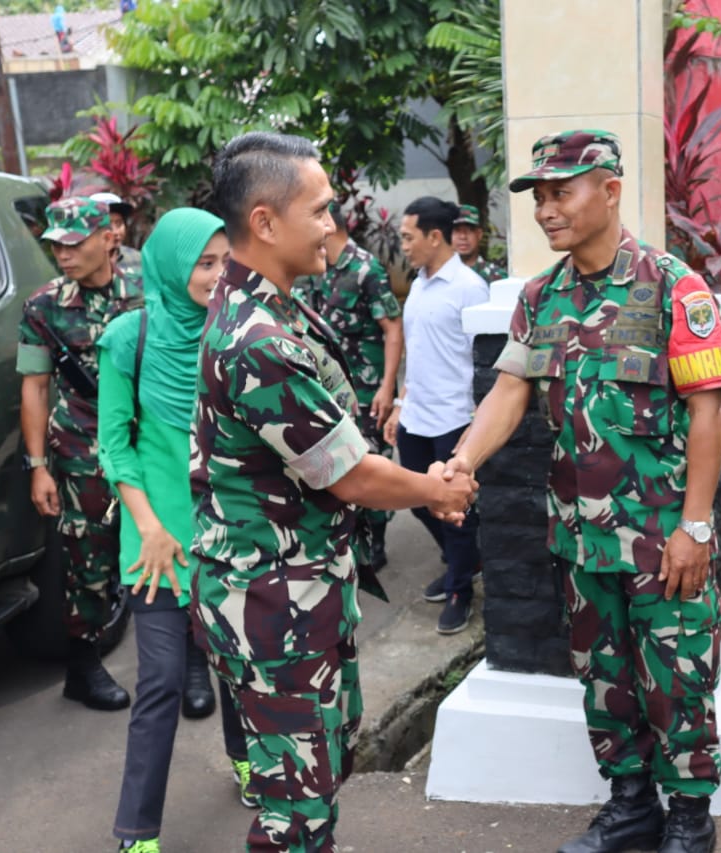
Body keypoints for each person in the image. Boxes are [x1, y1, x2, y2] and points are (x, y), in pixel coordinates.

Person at [442, 130, 721, 853]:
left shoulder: (673, 287)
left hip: (663, 535)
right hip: (580, 535)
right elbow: (509, 392)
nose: (546, 210)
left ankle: (689, 818)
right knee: (604, 676)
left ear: (609, 189)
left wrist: (695, 525)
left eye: (560, 192)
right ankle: (631, 804)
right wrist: (462, 461)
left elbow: (709, 411)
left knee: (676, 675)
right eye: (538, 197)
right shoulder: (541, 297)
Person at [191, 131, 476, 853]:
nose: (332, 225)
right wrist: (435, 489)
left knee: (314, 778)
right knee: (296, 812)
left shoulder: (273, 304)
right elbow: (347, 472)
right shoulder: (256, 338)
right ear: (263, 221)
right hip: (273, 608)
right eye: (318, 210)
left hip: (293, 595)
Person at [98, 208, 253, 853]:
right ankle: (137, 833)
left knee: (240, 668)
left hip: (230, 538)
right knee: (160, 682)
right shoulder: (127, 339)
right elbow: (114, 447)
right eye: (204, 262)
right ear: (169, 264)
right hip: (155, 543)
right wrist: (149, 527)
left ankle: (246, 761)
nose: (218, 276)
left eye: (226, 262)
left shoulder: (238, 332)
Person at [18, 196, 143, 712]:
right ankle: (83, 665)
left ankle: (194, 664)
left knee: (173, 546)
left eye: (73, 243)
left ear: (108, 238)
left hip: (143, 442)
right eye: (55, 245)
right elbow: (34, 387)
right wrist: (38, 467)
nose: (62, 254)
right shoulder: (43, 306)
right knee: (86, 559)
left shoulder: (145, 293)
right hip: (79, 450)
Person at [381, 196, 488, 635]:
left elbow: (483, 362)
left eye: (408, 237)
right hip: (417, 416)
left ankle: (461, 589)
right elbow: (419, 354)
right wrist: (401, 404)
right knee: (418, 500)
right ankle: (467, 561)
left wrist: (477, 424)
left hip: (455, 418)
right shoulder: (420, 285)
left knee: (454, 511)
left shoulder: (469, 288)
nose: (403, 245)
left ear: (435, 237)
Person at [293, 202, 404, 572]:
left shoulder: (365, 269)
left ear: (331, 225)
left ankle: (377, 544)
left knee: (370, 463)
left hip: (368, 388)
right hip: (332, 392)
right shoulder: (316, 269)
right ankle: (350, 541)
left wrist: (389, 387)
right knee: (339, 465)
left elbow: (392, 329)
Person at [91, 191, 143, 285]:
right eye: (107, 225)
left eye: (119, 224)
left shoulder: (138, 259)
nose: (115, 232)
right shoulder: (82, 263)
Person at [451, 203, 506, 284]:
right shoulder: (440, 275)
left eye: (469, 230)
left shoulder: (496, 276)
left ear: (479, 234)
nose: (463, 236)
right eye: (457, 230)